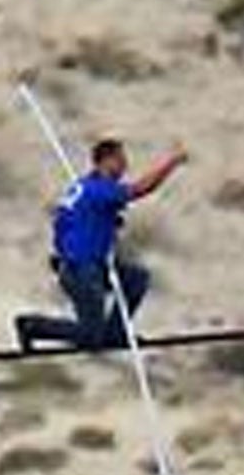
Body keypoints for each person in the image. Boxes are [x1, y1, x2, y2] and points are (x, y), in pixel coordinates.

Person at [15, 138, 189, 353]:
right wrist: (172, 162)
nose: (125, 165)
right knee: (90, 338)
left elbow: (63, 224)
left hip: (91, 266)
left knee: (136, 279)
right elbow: (142, 188)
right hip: (82, 270)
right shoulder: (98, 189)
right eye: (120, 160)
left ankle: (115, 333)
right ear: (105, 161)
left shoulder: (81, 189)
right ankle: (34, 326)